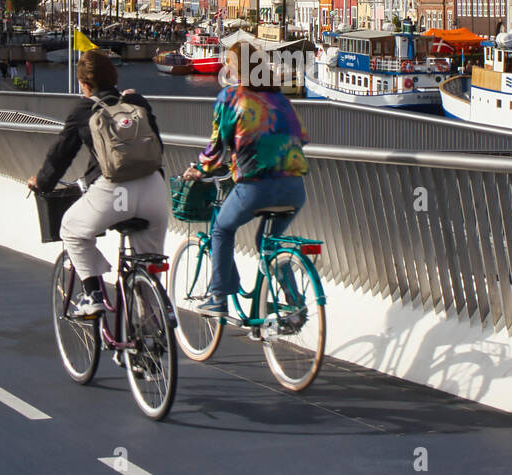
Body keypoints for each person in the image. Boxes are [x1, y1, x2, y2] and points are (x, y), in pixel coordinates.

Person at [26, 51, 168, 318]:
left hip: (115, 192)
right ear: (113, 76)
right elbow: (156, 144)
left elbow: (60, 156)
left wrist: (42, 182)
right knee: (148, 266)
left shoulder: (83, 110)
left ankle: (94, 296)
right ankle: (151, 342)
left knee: (70, 228)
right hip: (154, 189)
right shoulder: (136, 102)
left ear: (85, 84)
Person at [181, 42, 310, 318]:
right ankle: (294, 303)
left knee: (221, 230)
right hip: (294, 188)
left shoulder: (231, 97)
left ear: (235, 68)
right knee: (270, 242)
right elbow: (301, 139)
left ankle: (218, 298)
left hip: (256, 187)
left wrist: (200, 170)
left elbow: (216, 149)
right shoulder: (280, 99)